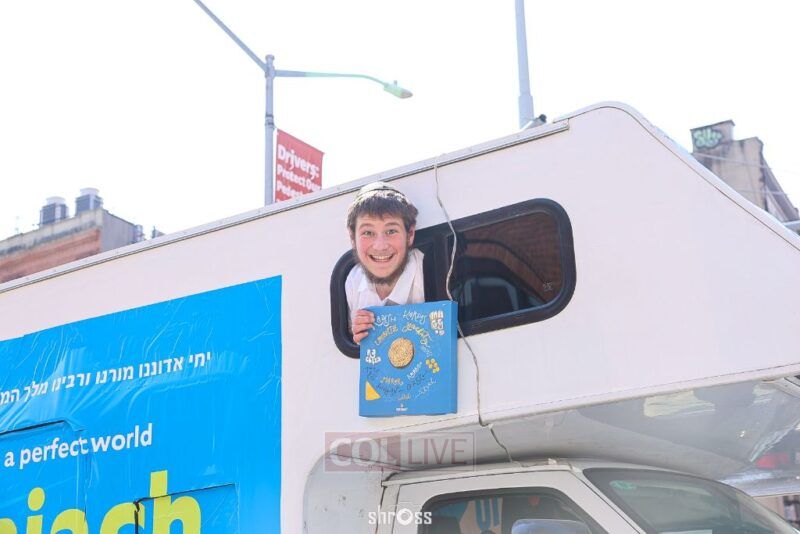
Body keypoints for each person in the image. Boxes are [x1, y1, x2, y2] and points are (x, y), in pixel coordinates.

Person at [345, 182, 424, 344]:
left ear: (410, 234)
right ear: (353, 238)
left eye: (391, 231)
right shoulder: (353, 281)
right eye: (368, 232)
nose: (380, 246)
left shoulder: (427, 273)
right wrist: (356, 335)